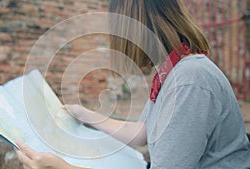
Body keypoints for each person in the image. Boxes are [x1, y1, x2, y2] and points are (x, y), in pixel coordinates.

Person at [16, 0, 250, 168]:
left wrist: (62, 168)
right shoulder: (170, 71)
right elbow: (145, 133)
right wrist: (87, 115)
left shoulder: (189, 81)